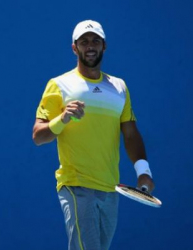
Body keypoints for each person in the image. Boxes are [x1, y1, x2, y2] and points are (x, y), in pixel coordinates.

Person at [32, 20, 155, 250]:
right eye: (84, 41)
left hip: (110, 189)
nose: (90, 46)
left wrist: (143, 171)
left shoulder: (119, 87)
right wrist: (63, 119)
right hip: (75, 184)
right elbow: (38, 136)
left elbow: (130, 133)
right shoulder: (59, 85)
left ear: (104, 46)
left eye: (95, 41)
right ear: (74, 48)